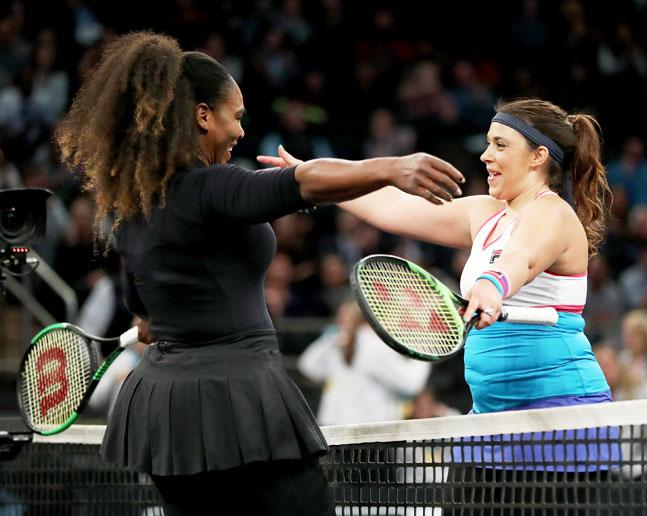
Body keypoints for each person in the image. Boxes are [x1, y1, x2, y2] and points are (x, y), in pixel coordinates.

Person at [54, 32, 463, 516]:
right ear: (203, 115)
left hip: (164, 409)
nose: (241, 131)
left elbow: (142, 313)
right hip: (236, 398)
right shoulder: (211, 187)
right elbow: (302, 184)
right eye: (237, 116)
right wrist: (392, 167)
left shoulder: (133, 209)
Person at [259, 98, 617, 511]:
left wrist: (490, 285)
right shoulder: (486, 215)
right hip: (488, 427)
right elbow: (390, 206)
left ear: (538, 157)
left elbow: (522, 257)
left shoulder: (553, 214)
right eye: (488, 143)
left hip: (560, 431)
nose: (486, 155)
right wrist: (308, 176)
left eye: (500, 145)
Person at [297, 299, 431, 425]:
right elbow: (412, 384)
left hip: (341, 430)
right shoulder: (369, 343)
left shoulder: (362, 342)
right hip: (364, 435)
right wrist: (425, 350)